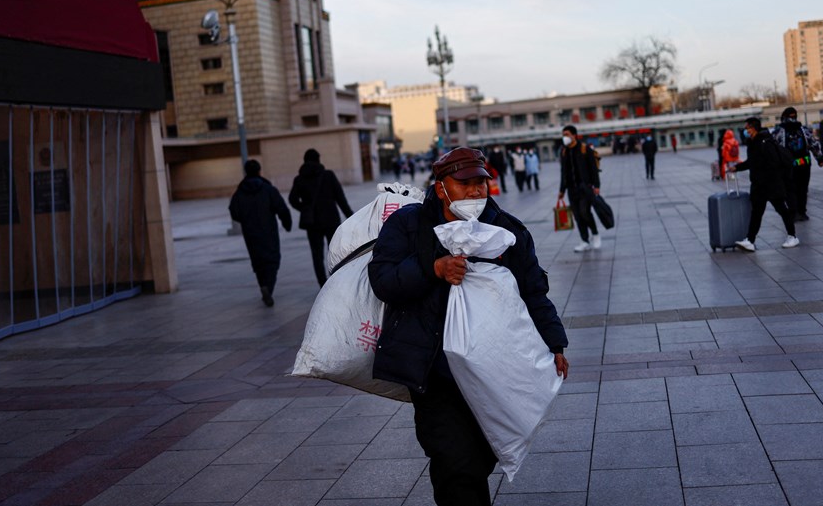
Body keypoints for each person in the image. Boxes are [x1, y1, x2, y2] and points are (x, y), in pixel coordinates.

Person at [368, 147, 569, 506]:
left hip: (492, 368)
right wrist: (433, 268)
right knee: (453, 461)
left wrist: (555, 342)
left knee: (478, 456)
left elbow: (533, 292)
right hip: (436, 372)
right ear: (441, 187)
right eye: (464, 184)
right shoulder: (409, 225)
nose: (476, 191)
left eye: (481, 182)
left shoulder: (506, 231)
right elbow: (383, 280)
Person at [228, 160, 292, 307]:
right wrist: (287, 223)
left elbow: (234, 211)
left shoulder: (239, 192)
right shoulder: (268, 189)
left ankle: (263, 285)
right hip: (268, 231)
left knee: (258, 262)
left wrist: (245, 219)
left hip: (250, 233)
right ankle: (268, 287)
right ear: (259, 171)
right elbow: (281, 208)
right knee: (272, 260)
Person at [729, 117, 798, 251]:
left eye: (747, 128)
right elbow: (752, 162)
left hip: (771, 184)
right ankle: (750, 240)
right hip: (759, 185)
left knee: (782, 210)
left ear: (753, 128)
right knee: (756, 213)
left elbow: (774, 162)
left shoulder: (765, 142)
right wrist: (737, 168)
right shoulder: (753, 142)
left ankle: (792, 236)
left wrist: (766, 176)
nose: (745, 131)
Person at [288, 148, 355, 286]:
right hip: (331, 220)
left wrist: (304, 208)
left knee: (317, 254)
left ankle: (323, 284)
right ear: (318, 159)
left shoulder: (299, 179)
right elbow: (340, 199)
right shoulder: (328, 175)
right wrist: (351, 216)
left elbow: (292, 199)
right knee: (335, 252)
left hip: (312, 223)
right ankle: (337, 279)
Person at [772, 106, 823, 220]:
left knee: (790, 190)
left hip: (788, 166)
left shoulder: (779, 132)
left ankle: (794, 212)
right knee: (803, 189)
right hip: (804, 164)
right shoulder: (803, 129)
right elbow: (813, 144)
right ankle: (802, 212)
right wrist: (820, 158)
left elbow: (773, 149)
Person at [557, 125, 601, 252]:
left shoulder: (584, 148)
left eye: (567, 134)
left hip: (585, 188)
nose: (565, 137)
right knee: (577, 216)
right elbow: (563, 172)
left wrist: (596, 186)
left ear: (574, 135)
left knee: (585, 212)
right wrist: (562, 190)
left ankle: (595, 234)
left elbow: (593, 169)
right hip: (571, 189)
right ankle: (584, 240)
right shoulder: (564, 151)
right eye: (563, 134)